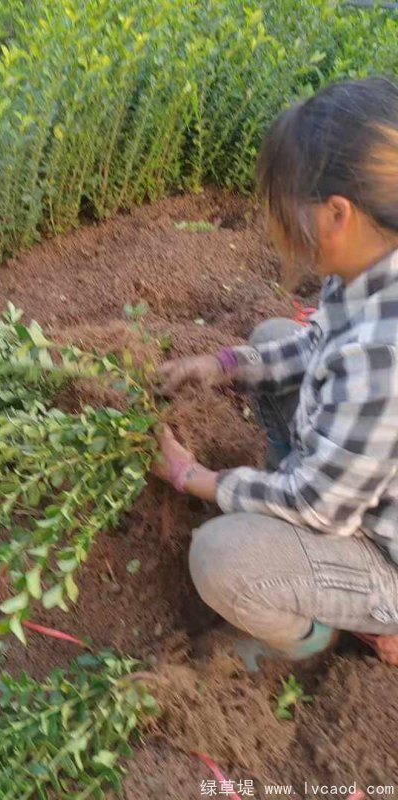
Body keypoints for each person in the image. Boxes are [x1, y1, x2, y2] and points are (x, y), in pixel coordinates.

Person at [155, 77, 398, 670]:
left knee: (221, 557)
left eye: (287, 210)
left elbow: (320, 506)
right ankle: (283, 497)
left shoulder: (382, 357)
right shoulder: (373, 269)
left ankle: (316, 638)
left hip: (380, 551)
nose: (278, 227)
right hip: (357, 484)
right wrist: (225, 364)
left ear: (337, 213)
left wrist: (193, 477)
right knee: (270, 342)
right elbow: (316, 343)